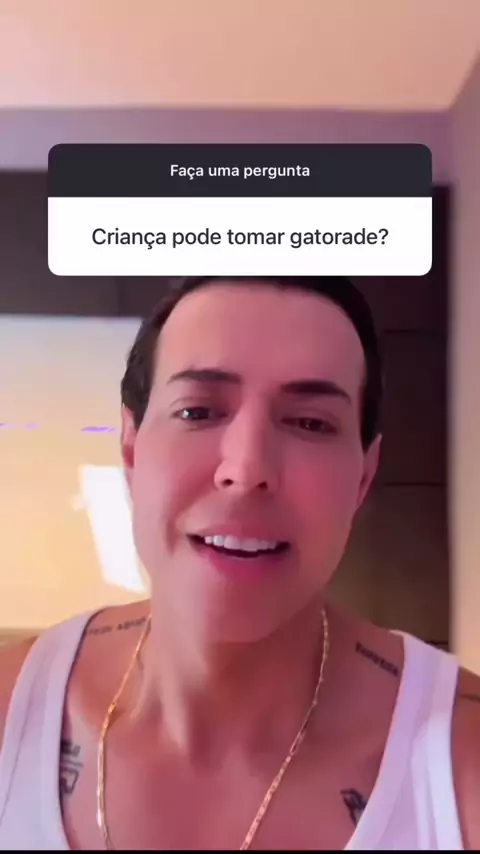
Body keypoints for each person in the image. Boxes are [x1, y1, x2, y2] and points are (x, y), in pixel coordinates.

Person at [0, 275, 478, 851]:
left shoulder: (460, 761)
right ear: (131, 447)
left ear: (363, 476)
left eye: (310, 423)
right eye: (198, 411)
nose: (247, 469)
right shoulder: (11, 714)